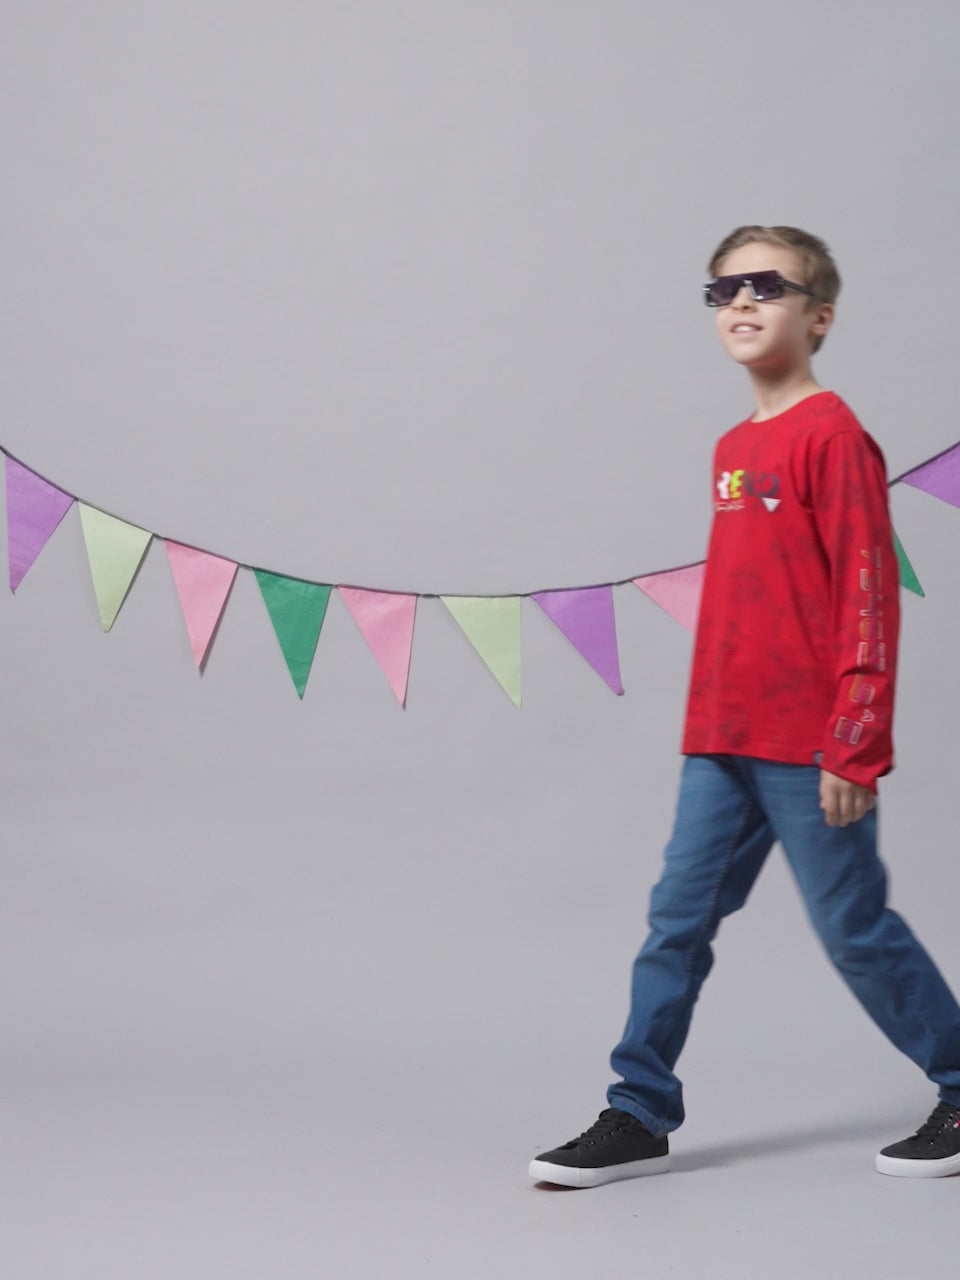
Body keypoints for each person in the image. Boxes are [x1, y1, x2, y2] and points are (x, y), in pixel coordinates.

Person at [528, 225, 960, 1188]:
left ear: (820, 316)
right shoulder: (733, 446)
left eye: (767, 286)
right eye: (723, 290)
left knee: (853, 930)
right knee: (674, 925)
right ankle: (638, 1111)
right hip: (719, 738)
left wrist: (854, 740)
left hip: (809, 745)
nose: (742, 302)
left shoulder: (834, 436)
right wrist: (707, 727)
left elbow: (868, 594)